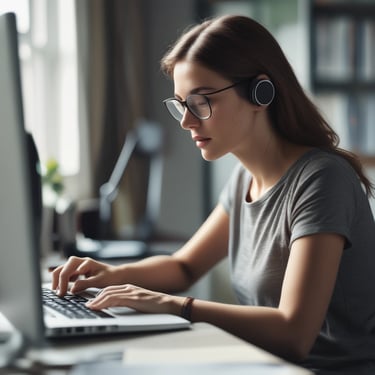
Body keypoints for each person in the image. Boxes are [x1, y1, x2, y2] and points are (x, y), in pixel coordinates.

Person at [52, 15, 375, 374]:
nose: (187, 122)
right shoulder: (244, 179)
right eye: (180, 104)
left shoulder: (322, 180)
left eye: (201, 102)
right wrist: (110, 275)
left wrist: (173, 305)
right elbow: (183, 266)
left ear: (261, 93)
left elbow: (294, 332)